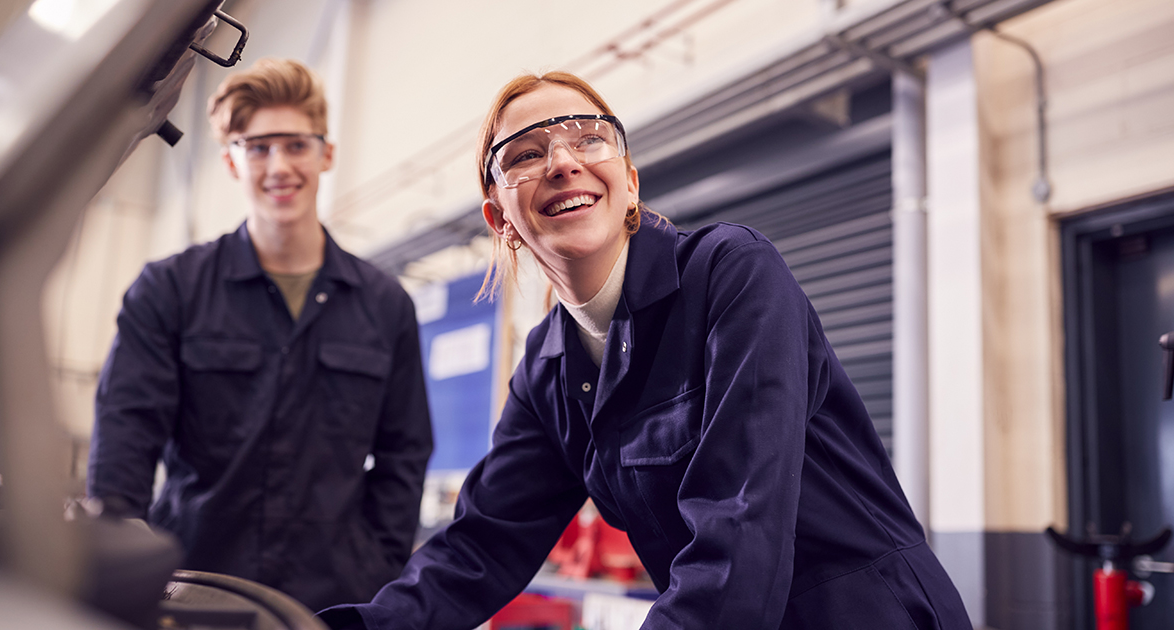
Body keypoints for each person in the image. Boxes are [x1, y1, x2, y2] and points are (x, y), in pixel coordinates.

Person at [318, 71, 971, 629]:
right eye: (525, 153)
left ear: (629, 182)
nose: (563, 161)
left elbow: (741, 520)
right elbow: (480, 547)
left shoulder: (731, 272)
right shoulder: (547, 369)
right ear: (500, 220)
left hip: (867, 612)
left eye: (588, 137)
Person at [86, 58, 433, 612]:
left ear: (326, 153)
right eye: (258, 147)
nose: (279, 166)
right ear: (231, 161)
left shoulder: (385, 305)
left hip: (331, 603)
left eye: (296, 145)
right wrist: (124, 559)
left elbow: (405, 453)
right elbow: (125, 436)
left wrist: (378, 563)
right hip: (191, 594)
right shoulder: (170, 291)